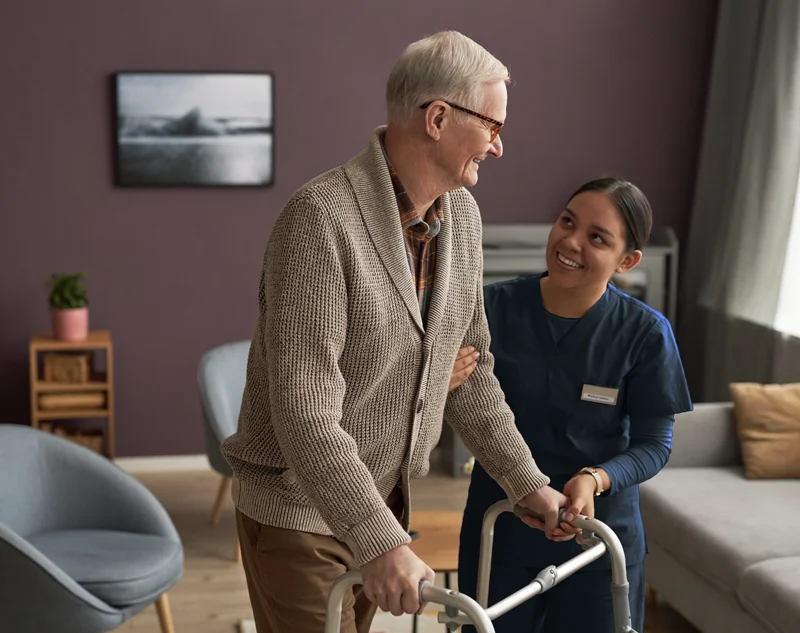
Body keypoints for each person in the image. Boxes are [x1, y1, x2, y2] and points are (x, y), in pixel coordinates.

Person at [220, 30, 569, 633]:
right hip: (299, 513)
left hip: (378, 504)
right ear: (438, 118)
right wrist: (380, 543)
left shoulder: (461, 216)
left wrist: (527, 484)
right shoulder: (321, 221)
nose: (499, 145)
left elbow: (470, 371)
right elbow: (304, 414)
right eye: (491, 125)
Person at [453, 177, 693, 633]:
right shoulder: (491, 309)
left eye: (596, 237)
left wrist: (595, 479)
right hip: (501, 529)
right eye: (567, 222)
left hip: (598, 542)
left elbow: (654, 444)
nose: (571, 241)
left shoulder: (645, 333)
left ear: (628, 261)